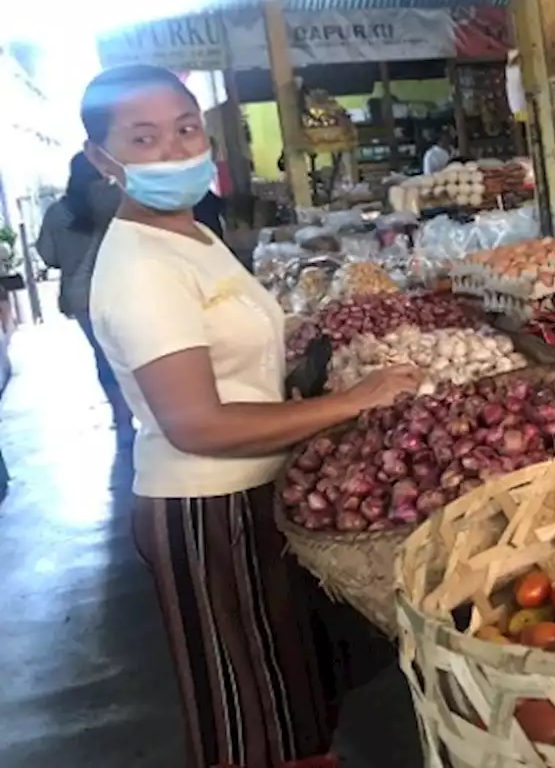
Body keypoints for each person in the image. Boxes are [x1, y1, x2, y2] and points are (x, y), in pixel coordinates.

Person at [81, 64, 421, 768]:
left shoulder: (190, 234)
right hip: (210, 510)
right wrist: (350, 403)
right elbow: (196, 423)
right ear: (102, 161)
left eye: (185, 130)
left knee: (291, 694)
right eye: (144, 138)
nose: (175, 151)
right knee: (250, 713)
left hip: (252, 491)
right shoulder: (143, 266)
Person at [36, 152, 135, 437]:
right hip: (123, 287)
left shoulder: (57, 212)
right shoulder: (118, 198)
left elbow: (49, 255)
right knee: (137, 351)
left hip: (81, 297)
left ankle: (122, 418)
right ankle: (151, 410)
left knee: (103, 355)